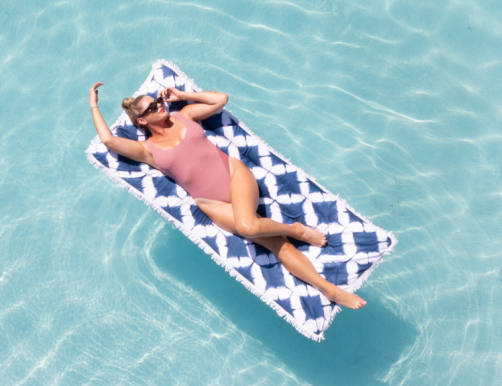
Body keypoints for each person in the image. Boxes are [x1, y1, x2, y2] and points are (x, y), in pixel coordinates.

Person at [89, 81, 366, 310]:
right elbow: (109, 141)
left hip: (234, 176)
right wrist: (93, 105)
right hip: (211, 203)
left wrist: (182, 96)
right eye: (153, 106)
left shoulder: (183, 116)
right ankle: (330, 291)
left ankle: (297, 230)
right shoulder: (148, 150)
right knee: (276, 246)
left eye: (158, 101)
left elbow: (220, 99)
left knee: (248, 225)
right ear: (142, 119)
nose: (160, 105)